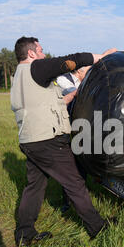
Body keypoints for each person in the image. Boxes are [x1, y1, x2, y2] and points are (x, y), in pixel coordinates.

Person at [10, 36, 117, 247]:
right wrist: (103, 57)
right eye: (40, 50)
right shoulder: (36, 68)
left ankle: (24, 234)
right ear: (31, 53)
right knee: (74, 182)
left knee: (35, 186)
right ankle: (97, 227)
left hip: (30, 140)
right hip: (48, 141)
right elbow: (72, 60)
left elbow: (51, 102)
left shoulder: (19, 76)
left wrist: (77, 93)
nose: (43, 54)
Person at [55, 66, 91, 213]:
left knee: (82, 165)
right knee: (69, 168)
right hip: (67, 131)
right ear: (79, 72)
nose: (89, 74)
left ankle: (81, 197)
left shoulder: (85, 80)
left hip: (82, 130)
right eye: (87, 71)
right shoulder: (63, 79)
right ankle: (67, 202)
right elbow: (77, 94)